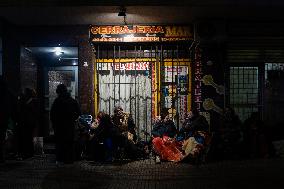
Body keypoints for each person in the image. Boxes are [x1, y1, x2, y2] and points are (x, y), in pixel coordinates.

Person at [50, 84, 81, 165]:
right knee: (69, 143)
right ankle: (69, 159)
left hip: (59, 126)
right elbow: (79, 112)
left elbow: (52, 114)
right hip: (69, 125)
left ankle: (60, 159)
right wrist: (72, 118)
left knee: (60, 143)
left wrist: (54, 124)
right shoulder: (72, 101)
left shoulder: (57, 101)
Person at [17, 88, 39, 159]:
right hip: (31, 122)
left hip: (26, 122)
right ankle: (30, 153)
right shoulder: (34, 101)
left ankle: (27, 153)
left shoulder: (24, 101)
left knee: (26, 138)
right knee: (29, 137)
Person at [0, 77, 16, 163]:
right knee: (2, 138)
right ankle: (2, 156)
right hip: (4, 119)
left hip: (3, 118)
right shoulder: (9, 93)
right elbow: (14, 106)